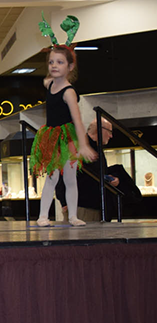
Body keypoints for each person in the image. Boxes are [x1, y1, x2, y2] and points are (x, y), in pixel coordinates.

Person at [30, 14, 97, 227]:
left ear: (70, 67)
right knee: (51, 177)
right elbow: (46, 79)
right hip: (51, 136)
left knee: (69, 178)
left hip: (67, 138)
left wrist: (83, 145)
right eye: (51, 62)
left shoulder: (69, 92)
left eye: (60, 62)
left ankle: (74, 216)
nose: (54, 66)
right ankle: (43, 216)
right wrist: (57, 49)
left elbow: (78, 120)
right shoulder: (49, 84)